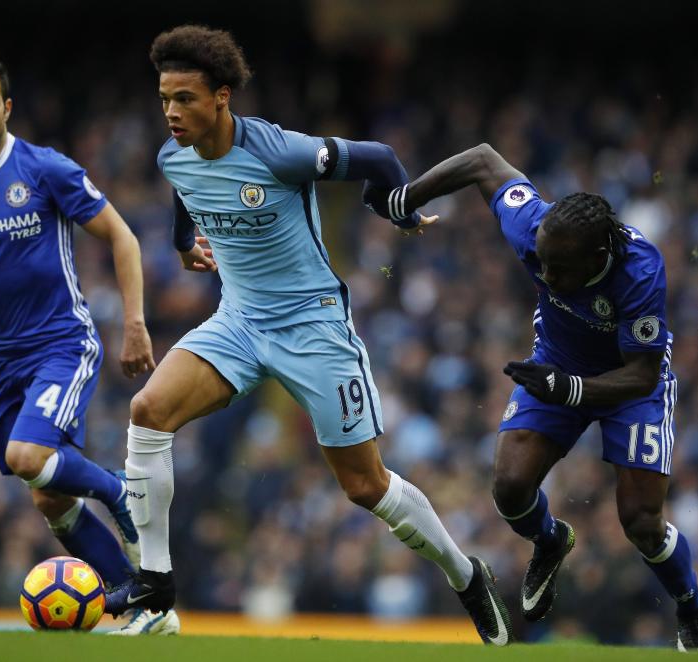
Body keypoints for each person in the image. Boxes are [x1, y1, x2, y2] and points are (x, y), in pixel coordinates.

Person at [103, 25, 512, 646]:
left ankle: (466, 575)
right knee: (147, 411)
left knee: (365, 486)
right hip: (238, 321)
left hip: (313, 325)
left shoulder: (277, 152)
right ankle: (155, 591)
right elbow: (184, 192)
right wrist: (185, 244)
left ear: (221, 97)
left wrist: (392, 207)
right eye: (164, 98)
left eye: (184, 98)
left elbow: (377, 158)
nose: (171, 113)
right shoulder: (172, 155)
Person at [364, 144, 698, 649]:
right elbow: (484, 160)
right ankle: (550, 542)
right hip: (558, 362)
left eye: (558, 269)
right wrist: (406, 197)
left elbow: (641, 374)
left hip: (629, 385)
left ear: (597, 258)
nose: (545, 276)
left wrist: (571, 390)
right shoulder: (535, 227)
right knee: (508, 488)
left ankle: (693, 610)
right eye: (542, 262)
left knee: (640, 521)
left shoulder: (640, 271)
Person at [0, 50, 179, 635]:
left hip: (60, 342)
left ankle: (122, 497)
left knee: (28, 459)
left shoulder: (44, 168)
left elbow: (122, 237)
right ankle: (147, 609)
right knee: (47, 495)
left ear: (8, 108)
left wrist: (134, 323)